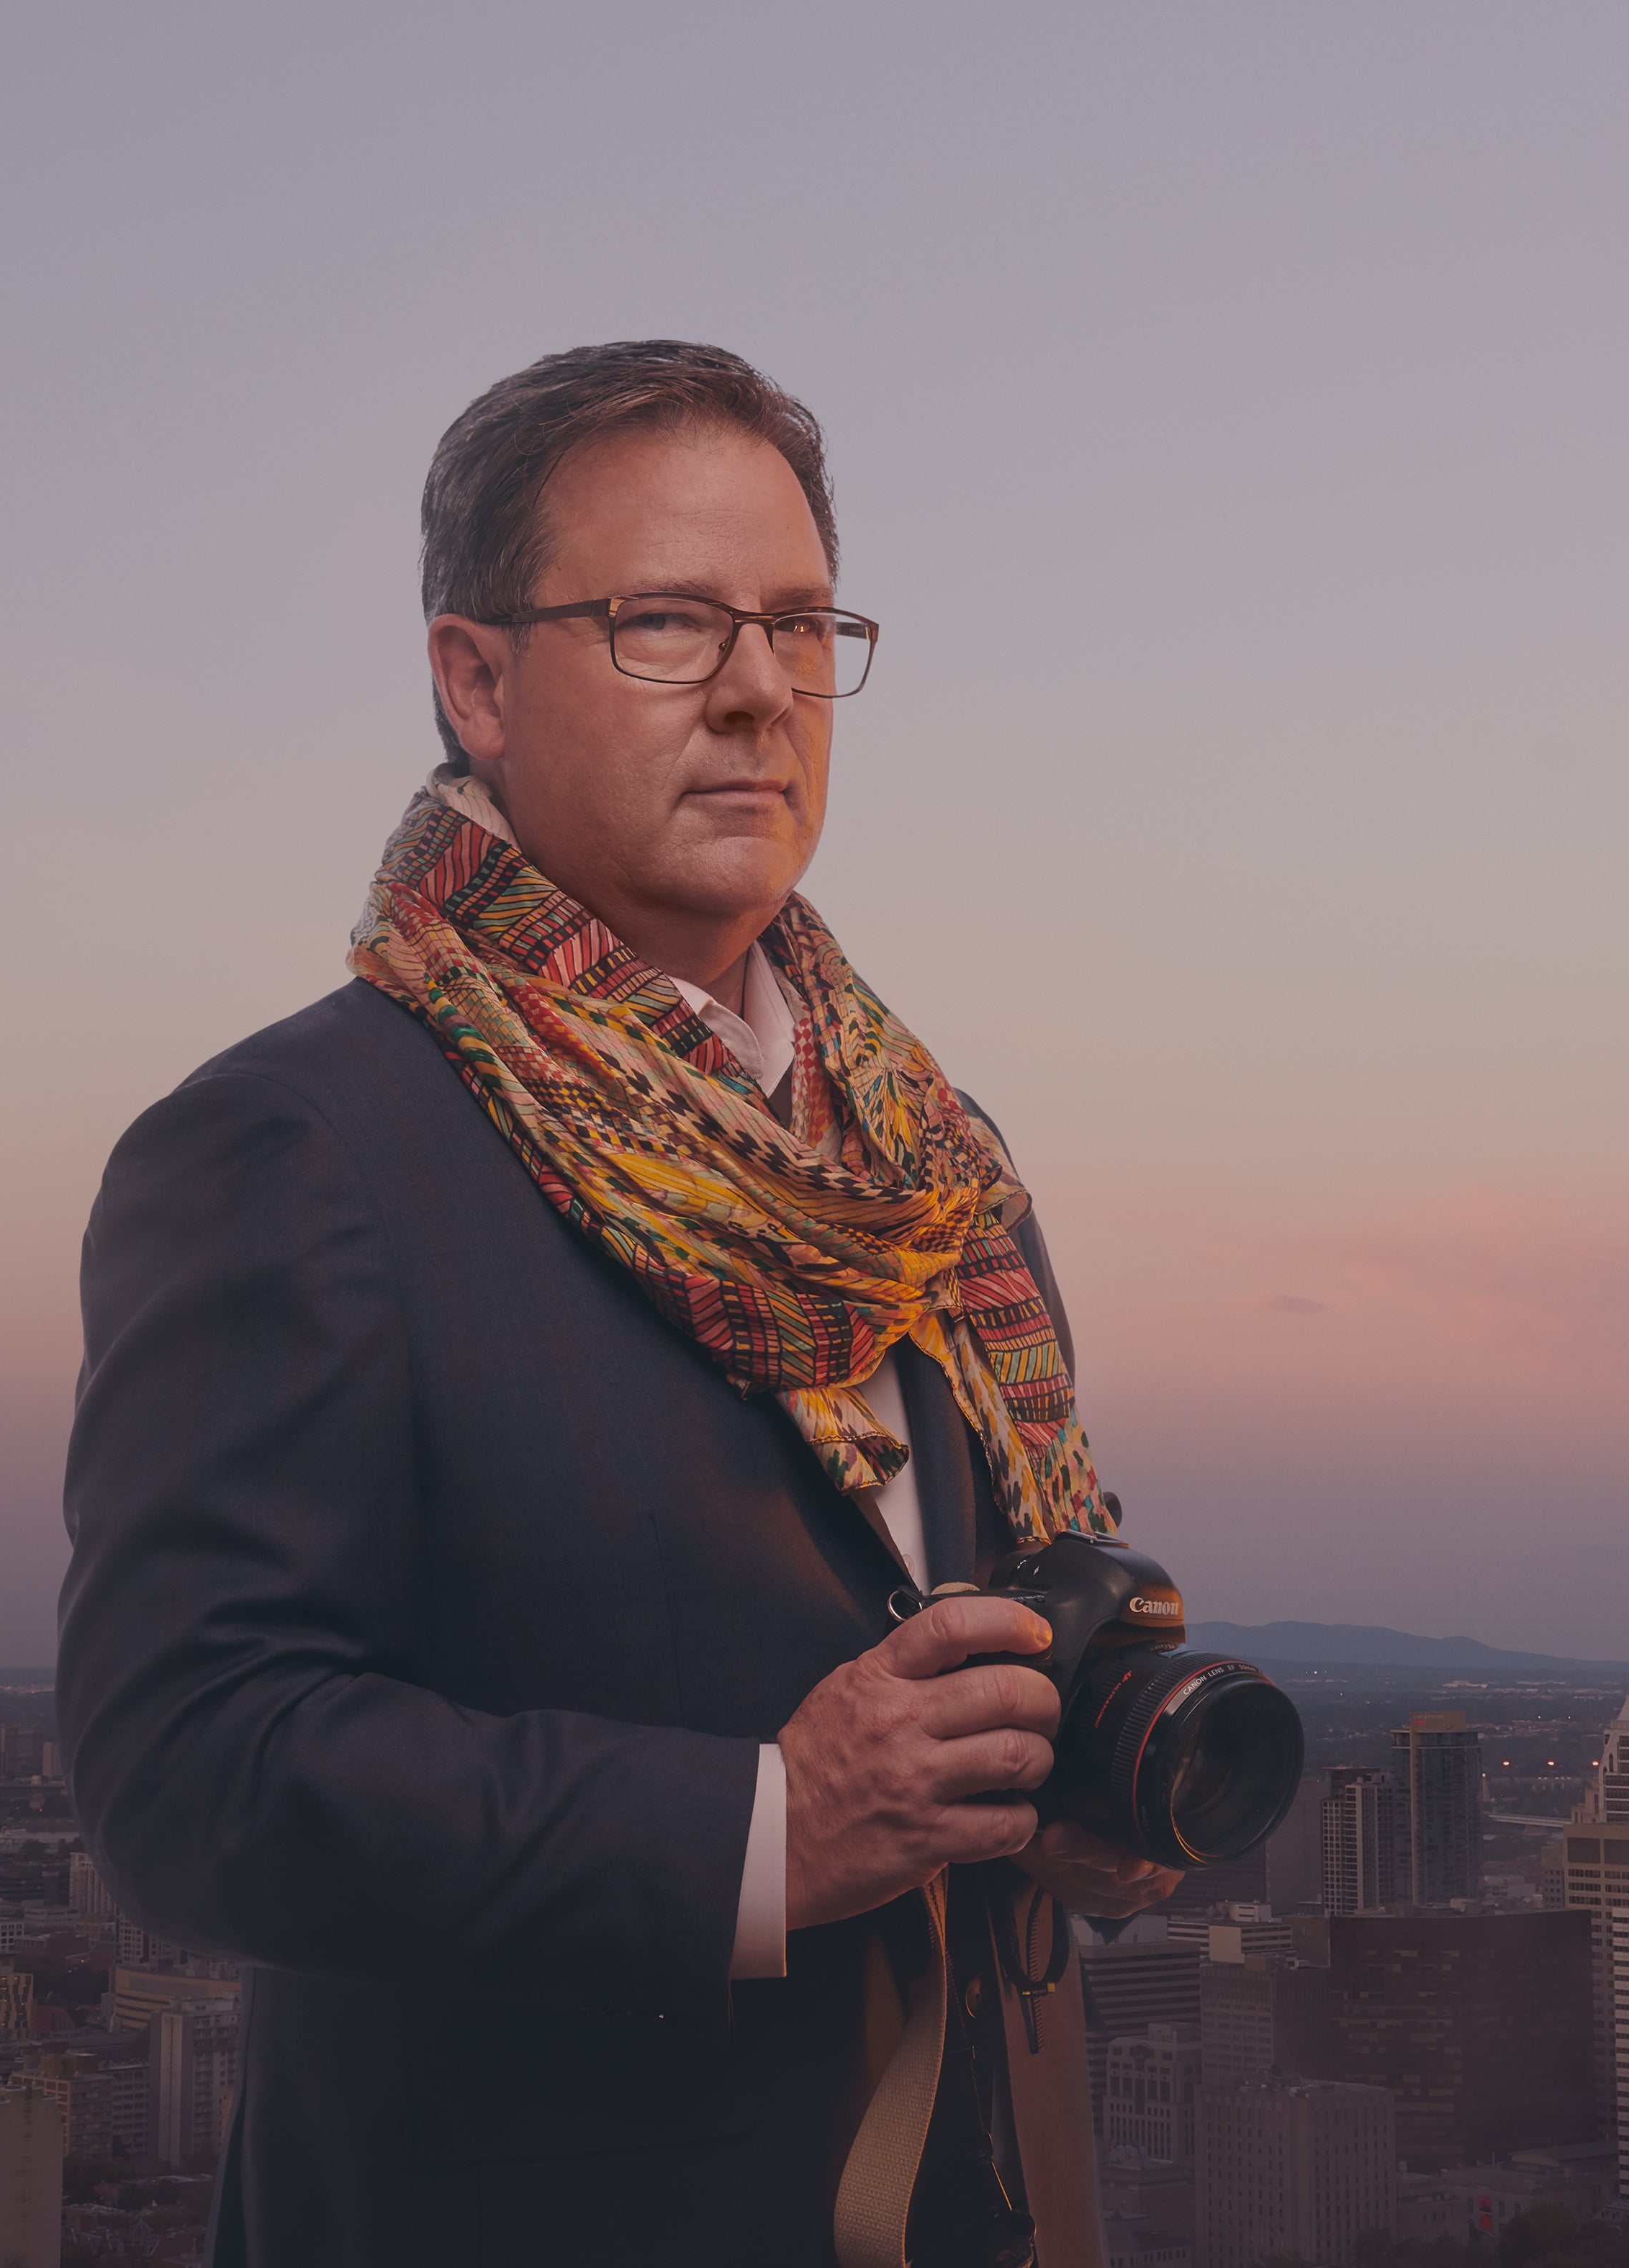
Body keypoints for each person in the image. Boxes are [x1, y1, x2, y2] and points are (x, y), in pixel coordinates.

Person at [58, 341, 1176, 2268]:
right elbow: (189, 1767)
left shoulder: (929, 1166)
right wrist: (762, 1832)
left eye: (801, 623)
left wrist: (1063, 1790)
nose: (757, 688)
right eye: (665, 620)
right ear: (472, 681)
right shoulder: (296, 1145)